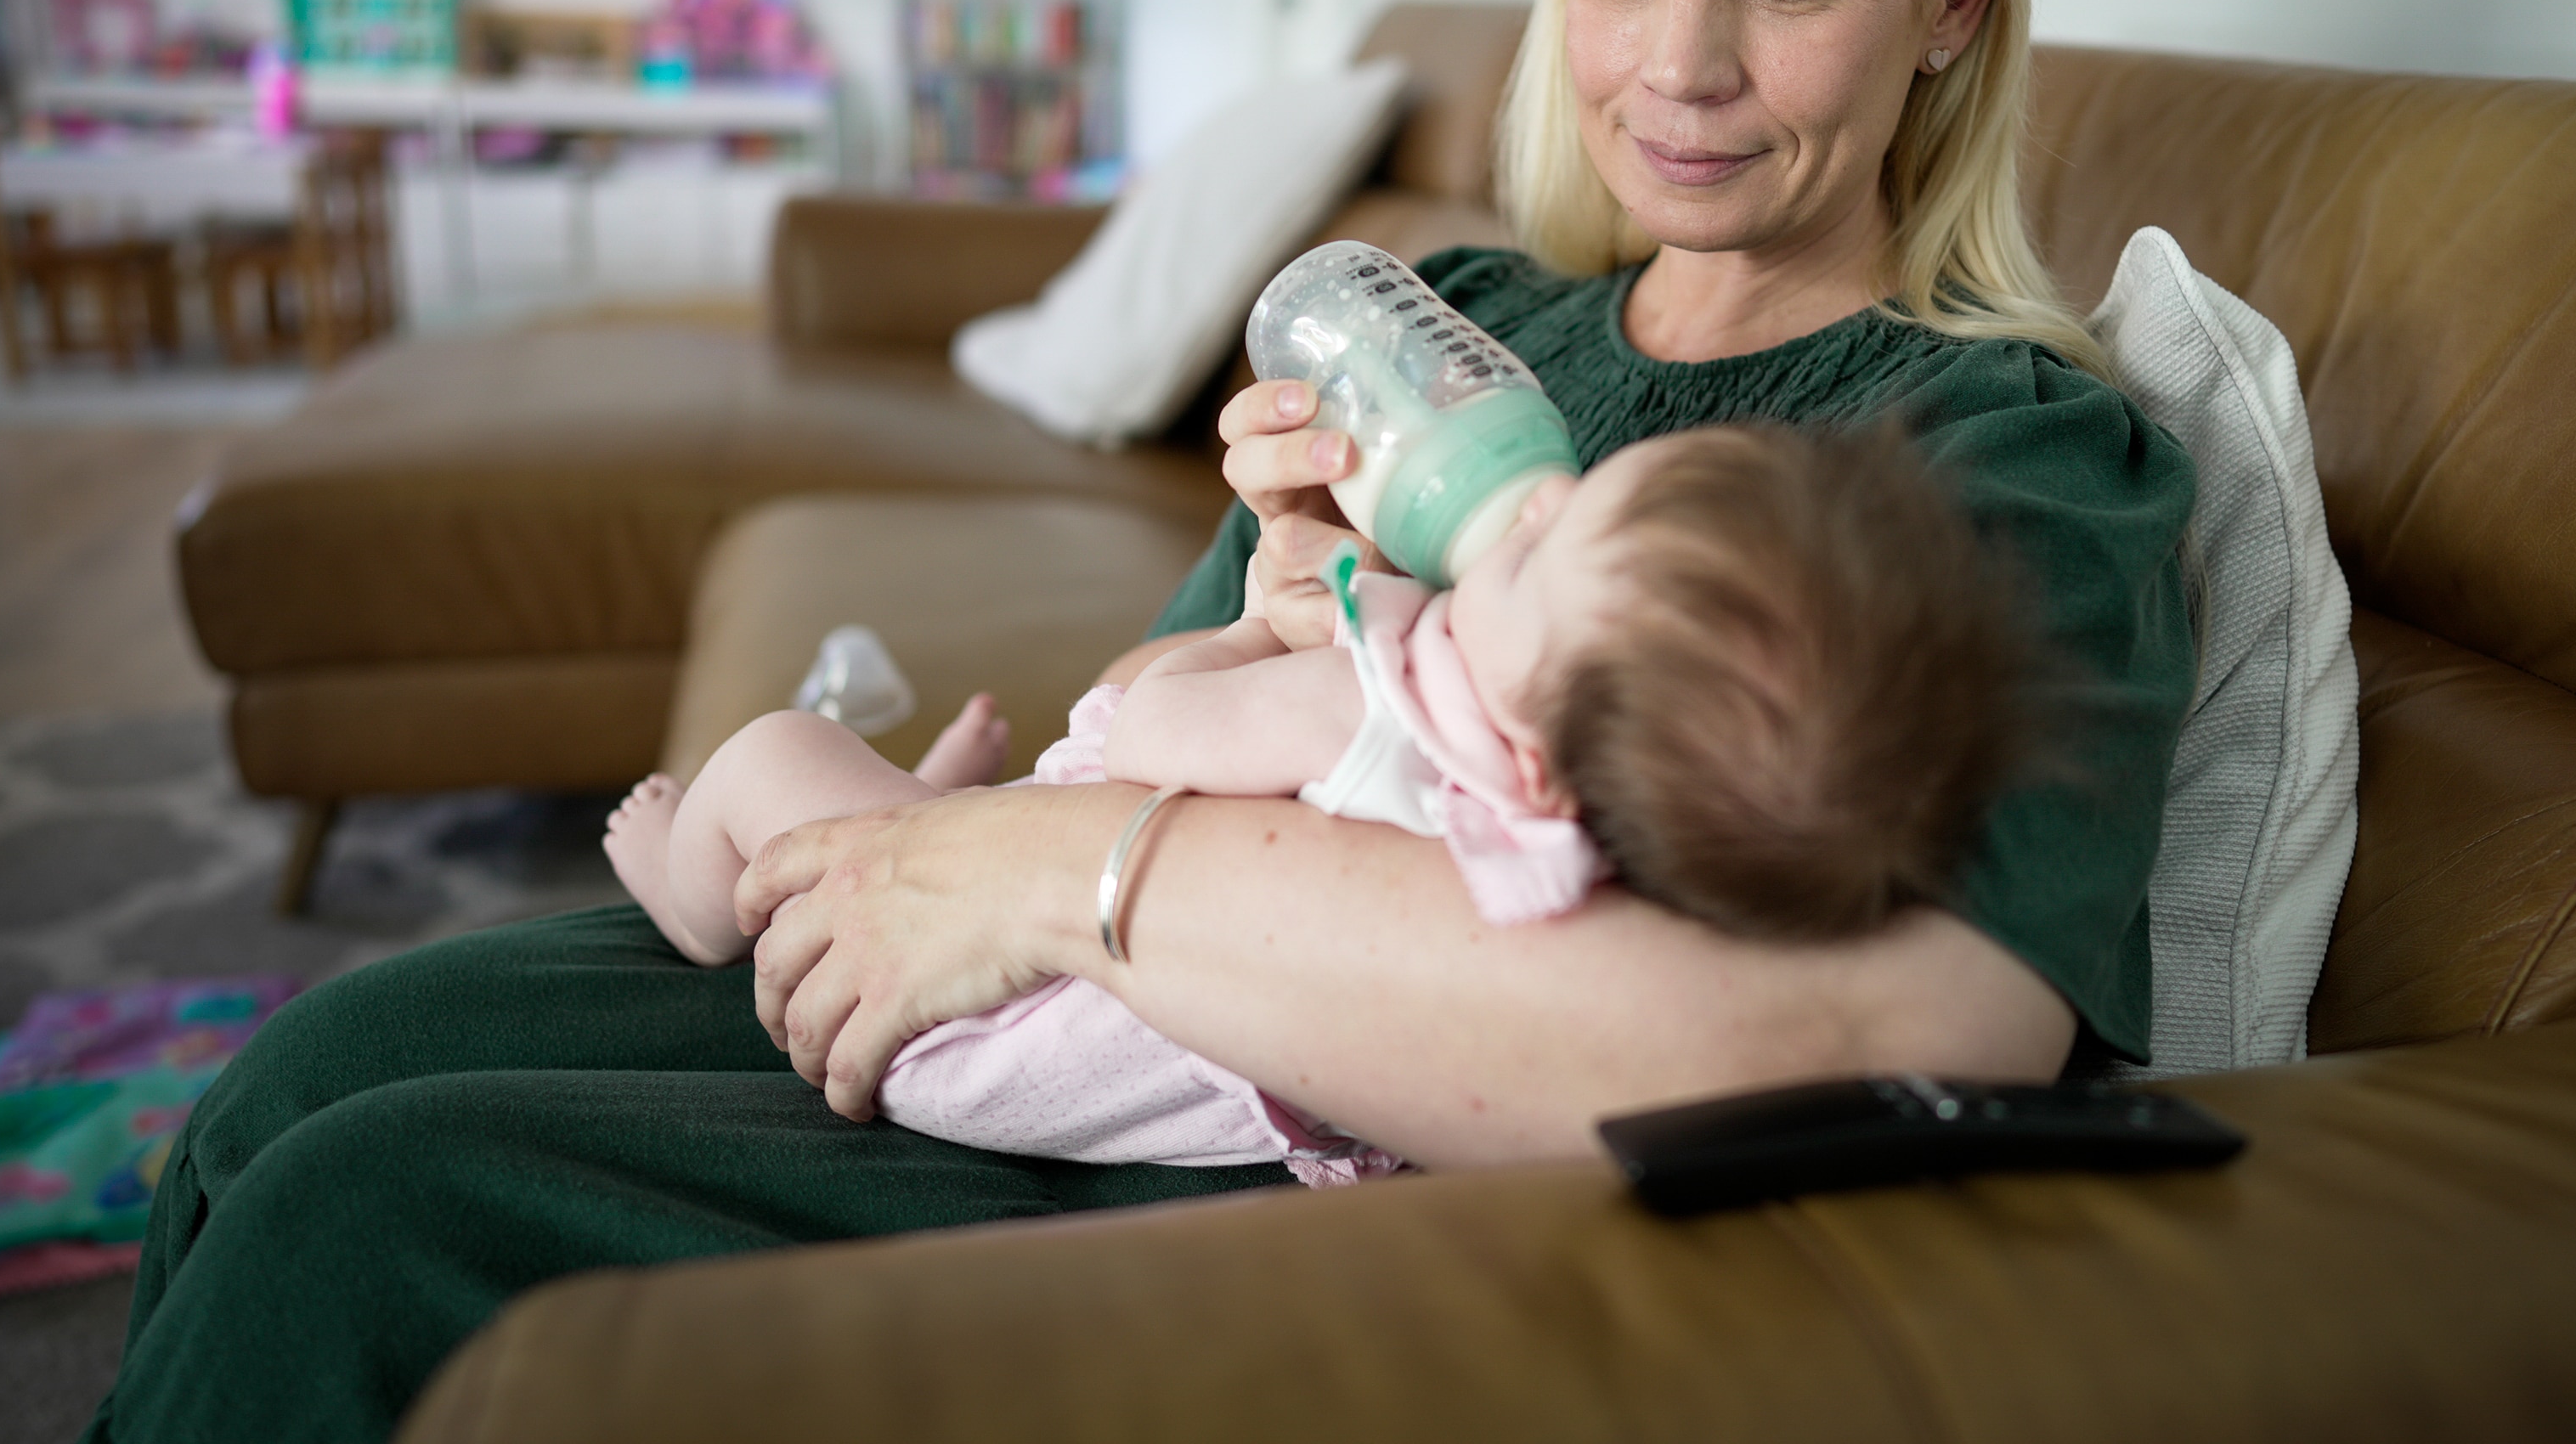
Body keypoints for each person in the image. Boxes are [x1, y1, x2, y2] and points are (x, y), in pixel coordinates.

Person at [87, 0, 2195, 1441]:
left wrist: (1063, 869)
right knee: (310, 1072)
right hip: (1063, 970)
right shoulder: (1480, 316)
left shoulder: (1996, 448)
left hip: (1293, 1150)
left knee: (360, 1217)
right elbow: (1145, 696)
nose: (1683, 63)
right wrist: (1263, 608)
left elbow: (1904, 1042)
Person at [602, 424, 2032, 1182]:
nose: (1522, 514)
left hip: (963, 1022)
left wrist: (1255, 631)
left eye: (1540, 552)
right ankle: (909, 809)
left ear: (1526, 758)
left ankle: (687, 880)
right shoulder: (1586, 807)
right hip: (1166, 1055)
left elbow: (1153, 718)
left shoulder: (1384, 711)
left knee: (778, 747)